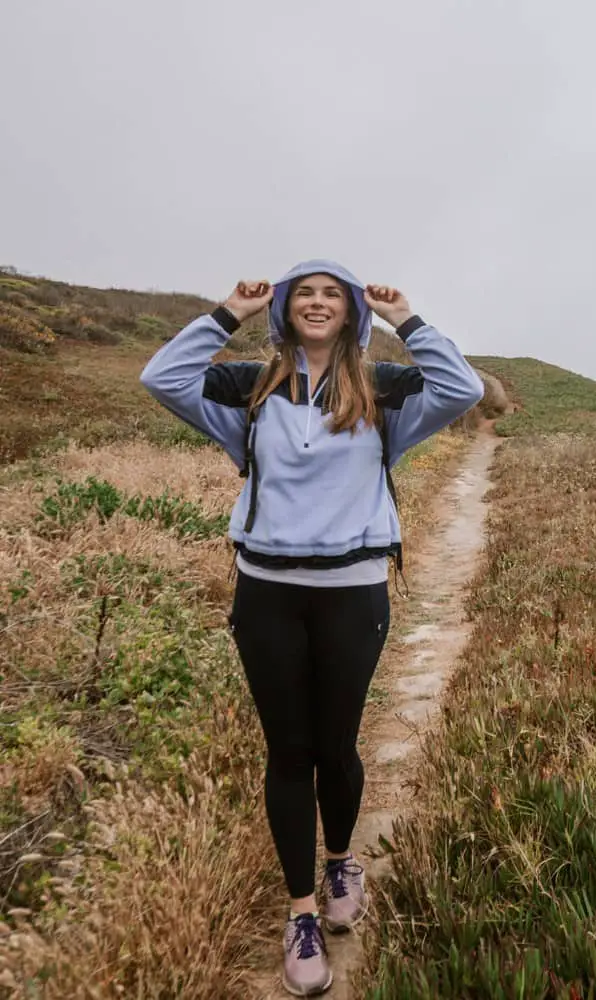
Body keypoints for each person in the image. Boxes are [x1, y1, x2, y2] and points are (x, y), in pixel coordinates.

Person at [140, 259, 483, 996]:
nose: (318, 303)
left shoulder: (384, 393)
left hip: (353, 593)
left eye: (333, 294)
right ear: (285, 311)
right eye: (306, 294)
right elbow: (162, 379)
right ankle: (301, 912)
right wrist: (224, 313)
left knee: (337, 744)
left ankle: (339, 866)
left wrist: (408, 320)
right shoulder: (248, 391)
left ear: (351, 313)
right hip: (266, 593)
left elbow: (462, 389)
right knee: (288, 751)